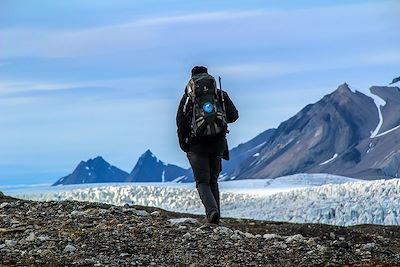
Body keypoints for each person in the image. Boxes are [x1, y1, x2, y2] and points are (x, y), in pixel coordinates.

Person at [176, 66, 238, 224]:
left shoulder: (188, 98)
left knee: (202, 181)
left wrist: (185, 145)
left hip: (196, 147)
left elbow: (181, 122)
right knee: (213, 180)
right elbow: (234, 115)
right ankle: (215, 214)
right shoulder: (219, 95)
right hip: (217, 144)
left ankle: (211, 213)